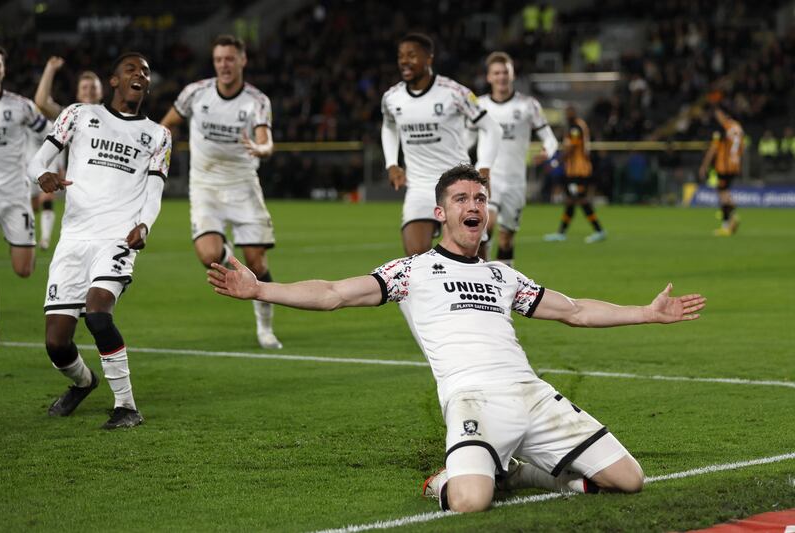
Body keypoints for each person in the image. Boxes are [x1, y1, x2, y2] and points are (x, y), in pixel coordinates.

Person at [207, 164, 706, 513]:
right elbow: (334, 292)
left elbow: (574, 311)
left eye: (481, 200)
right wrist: (260, 288)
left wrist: (647, 312)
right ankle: (448, 479)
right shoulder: (411, 271)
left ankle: (517, 469)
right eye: (462, 199)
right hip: (472, 399)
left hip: (531, 394)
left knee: (629, 480)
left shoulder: (503, 275)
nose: (474, 206)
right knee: (469, 501)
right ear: (440, 213)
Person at [27, 52, 171, 429]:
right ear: (114, 80)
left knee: (97, 312)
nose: (139, 74)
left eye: (145, 71)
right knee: (57, 344)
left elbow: (153, 192)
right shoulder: (79, 114)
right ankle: (84, 382)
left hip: (117, 238)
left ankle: (126, 406)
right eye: (131, 69)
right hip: (73, 239)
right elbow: (36, 161)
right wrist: (43, 176)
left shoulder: (159, 135)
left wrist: (144, 225)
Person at [161, 34, 281, 350]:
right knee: (209, 254)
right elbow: (168, 123)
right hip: (205, 187)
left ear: (243, 60)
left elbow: (266, 141)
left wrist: (261, 148)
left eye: (230, 58)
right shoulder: (195, 93)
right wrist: (157, 149)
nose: (224, 65)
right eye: (218, 60)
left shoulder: (256, 101)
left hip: (243, 187)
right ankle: (231, 259)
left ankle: (265, 327)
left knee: (257, 262)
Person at [381, 32, 501, 256]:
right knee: (415, 256)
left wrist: (484, 167)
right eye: (401, 56)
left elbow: (492, 127)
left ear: (429, 59)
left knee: (473, 261)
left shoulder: (454, 93)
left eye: (412, 55)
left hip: (458, 183)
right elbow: (389, 127)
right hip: (419, 186)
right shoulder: (392, 97)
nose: (404, 61)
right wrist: (392, 163)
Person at [469, 51, 558, 264]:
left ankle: (504, 285)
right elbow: (466, 140)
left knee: (506, 239)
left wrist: (548, 152)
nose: (501, 77)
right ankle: (482, 279)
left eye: (505, 72)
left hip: (516, 182)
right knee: (485, 227)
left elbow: (551, 139)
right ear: (489, 77)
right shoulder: (479, 105)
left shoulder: (528, 105)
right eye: (496, 73)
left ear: (513, 75)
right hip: (487, 178)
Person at [0, 44, 49, 346]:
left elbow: (50, 133)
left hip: (17, 196)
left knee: (24, 269)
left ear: (3, 69)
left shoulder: (20, 106)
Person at [32, 56, 103, 250]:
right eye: (85, 87)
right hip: (82, 193)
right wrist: (50, 69)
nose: (89, 91)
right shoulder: (71, 117)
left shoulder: (113, 117)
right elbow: (42, 102)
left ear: (101, 91)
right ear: (78, 94)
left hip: (108, 191)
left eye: (93, 87)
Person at [544, 105, 606, 243]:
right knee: (571, 201)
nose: (567, 115)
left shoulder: (575, 127)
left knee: (581, 200)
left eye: (569, 112)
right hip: (574, 170)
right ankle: (561, 233)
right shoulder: (576, 126)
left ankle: (599, 230)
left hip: (579, 170)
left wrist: (556, 162)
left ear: (573, 113)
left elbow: (571, 148)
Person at [698, 105, 743, 236]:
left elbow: (713, 148)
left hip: (724, 165)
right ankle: (732, 216)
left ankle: (727, 224)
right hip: (735, 164)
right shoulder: (738, 127)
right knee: (725, 192)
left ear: (723, 114)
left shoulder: (723, 128)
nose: (716, 117)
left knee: (722, 194)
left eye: (718, 114)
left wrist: (704, 165)